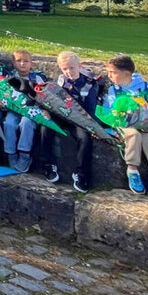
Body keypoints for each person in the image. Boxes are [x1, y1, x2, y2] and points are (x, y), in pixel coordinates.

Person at [104, 54, 148, 198]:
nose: (109, 76)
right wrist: (116, 122)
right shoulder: (113, 90)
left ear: (126, 73)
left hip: (146, 124)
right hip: (125, 125)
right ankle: (132, 170)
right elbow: (109, 111)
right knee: (133, 135)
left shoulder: (146, 88)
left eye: (113, 72)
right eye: (108, 72)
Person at [55, 51, 100, 193]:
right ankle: (48, 164)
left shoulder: (90, 83)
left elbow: (91, 109)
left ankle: (82, 174)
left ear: (79, 66)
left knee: (84, 138)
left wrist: (93, 127)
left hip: (81, 119)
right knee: (45, 127)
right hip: (64, 117)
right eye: (65, 69)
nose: (68, 72)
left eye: (72, 68)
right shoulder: (61, 81)